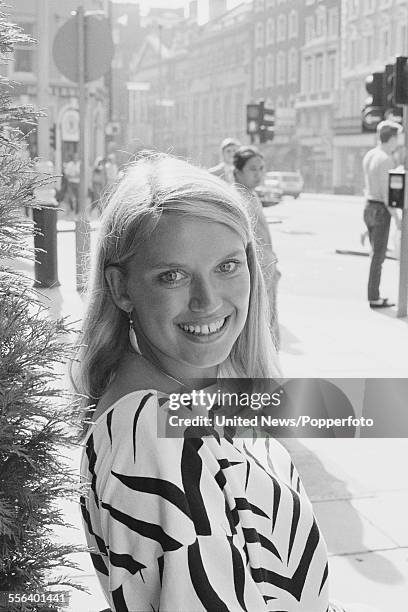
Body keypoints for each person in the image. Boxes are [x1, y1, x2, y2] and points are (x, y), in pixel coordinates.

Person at [72, 152, 333, 611]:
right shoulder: (153, 436)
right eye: (172, 276)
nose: (207, 301)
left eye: (227, 266)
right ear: (121, 288)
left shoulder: (200, 390)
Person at [233, 145, 281, 350]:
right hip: (256, 277)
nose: (259, 174)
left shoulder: (250, 195)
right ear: (237, 172)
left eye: (262, 168)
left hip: (266, 273)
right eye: (253, 169)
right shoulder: (239, 199)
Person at [362, 120, 402, 308]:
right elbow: (388, 194)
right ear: (392, 138)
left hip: (369, 206)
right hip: (380, 209)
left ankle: (373, 294)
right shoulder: (385, 159)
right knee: (378, 256)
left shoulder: (370, 155)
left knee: (374, 254)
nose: (399, 142)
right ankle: (374, 296)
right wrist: (396, 216)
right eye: (398, 137)